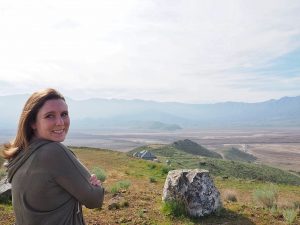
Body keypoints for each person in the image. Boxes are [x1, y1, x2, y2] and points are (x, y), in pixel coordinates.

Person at [3, 88, 104, 225]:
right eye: (50, 116)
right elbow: (94, 200)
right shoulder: (53, 152)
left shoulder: (22, 153)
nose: (60, 122)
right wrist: (96, 187)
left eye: (64, 114)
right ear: (32, 122)